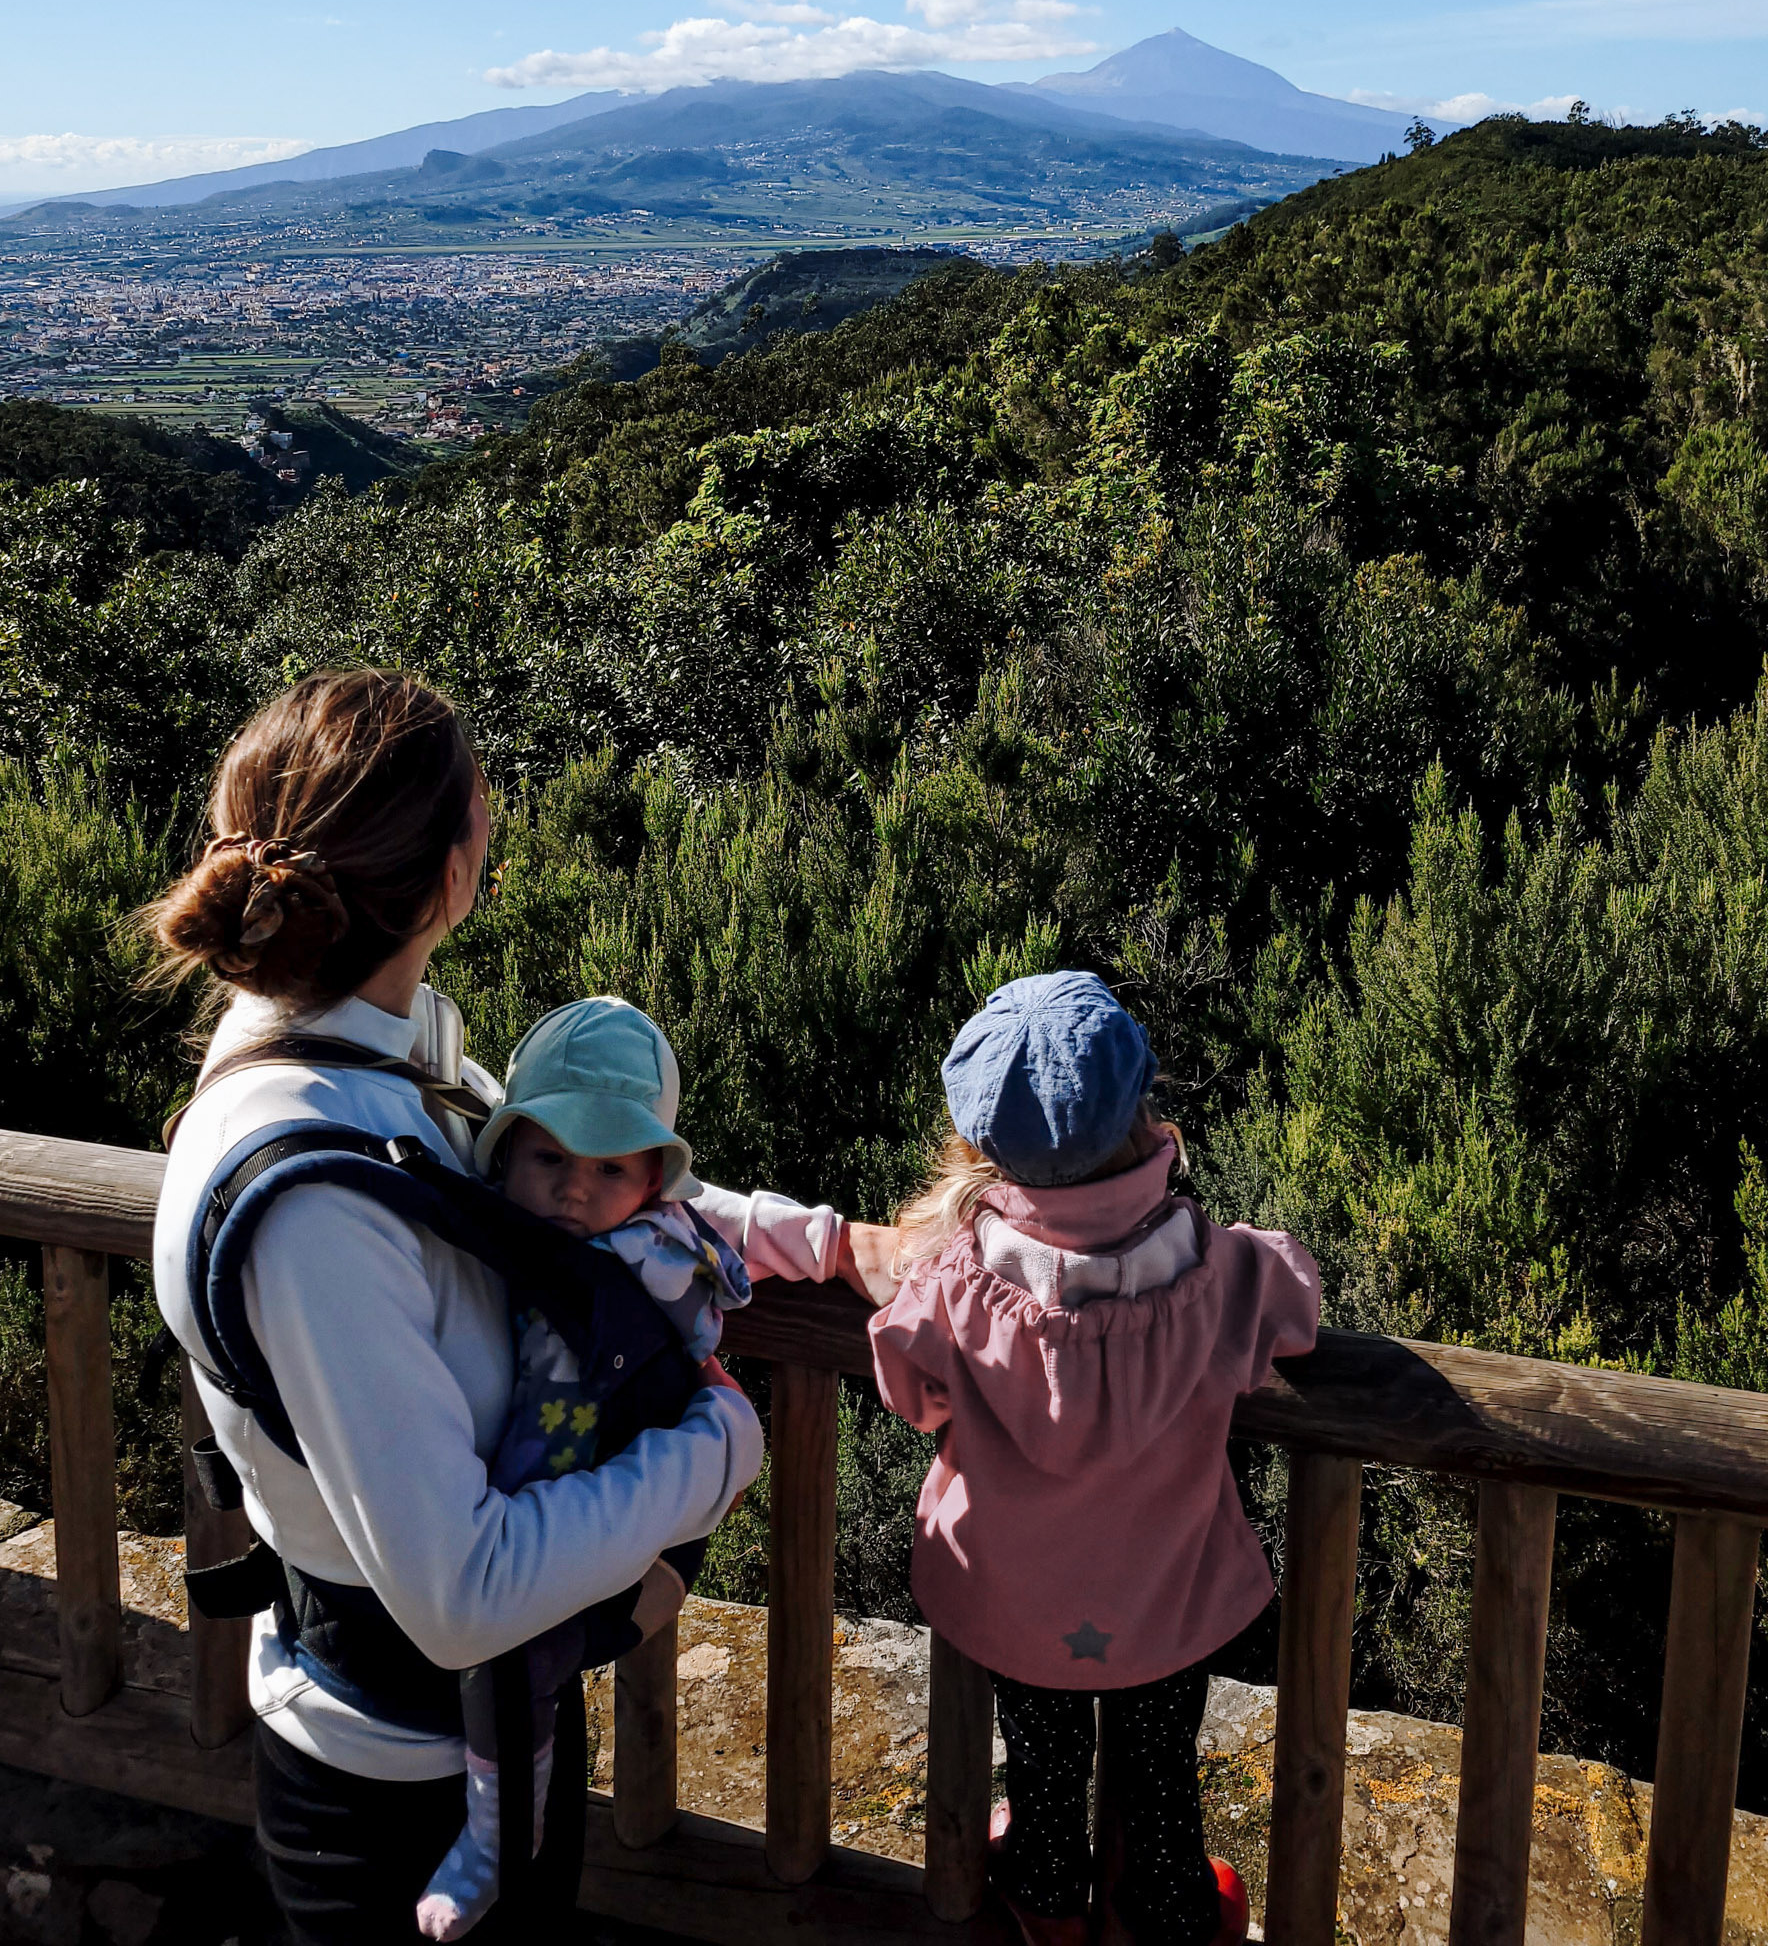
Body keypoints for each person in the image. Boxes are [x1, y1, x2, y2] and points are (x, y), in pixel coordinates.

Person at [147, 671, 888, 1944]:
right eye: (484, 813)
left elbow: (609, 1204)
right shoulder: (315, 1196)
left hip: (474, 1740)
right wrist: (715, 1460)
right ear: (449, 879)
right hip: (391, 1793)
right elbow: (461, 1592)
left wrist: (835, 1239)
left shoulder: (385, 1057)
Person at [868, 970, 1320, 1946]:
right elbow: (1297, 1298)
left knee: (1041, 1761)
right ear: (1141, 1112)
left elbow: (909, 1388)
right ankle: (1172, 1910)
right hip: (1168, 1602)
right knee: (1162, 1778)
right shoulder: (1215, 1271)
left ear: (985, 1145)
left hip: (1021, 1606)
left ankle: (1045, 1898)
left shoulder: (960, 1284)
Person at [420, 994, 782, 1938]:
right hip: (547, 1512)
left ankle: (498, 1838)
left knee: (518, 1660)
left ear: (655, 1178)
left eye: (608, 1166)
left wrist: (861, 1248)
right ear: (507, 1155)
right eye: (550, 1159)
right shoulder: (509, 1223)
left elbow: (763, 1233)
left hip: (594, 1516)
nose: (574, 1189)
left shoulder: (660, 1243)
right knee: (511, 1663)